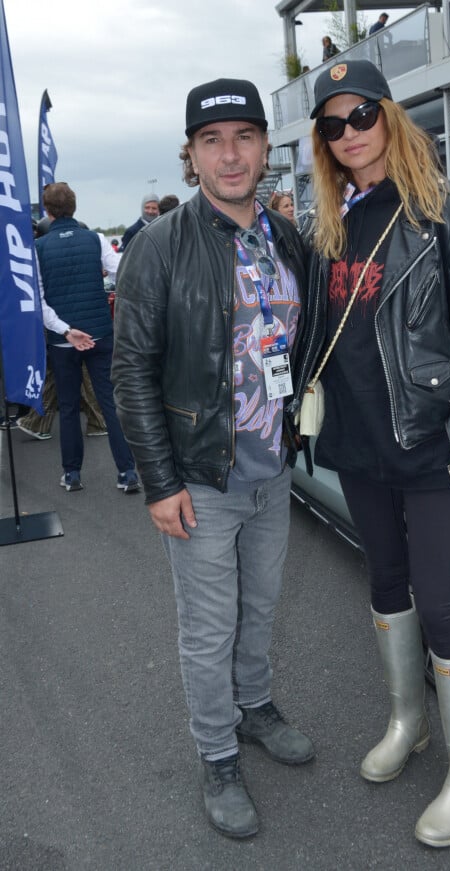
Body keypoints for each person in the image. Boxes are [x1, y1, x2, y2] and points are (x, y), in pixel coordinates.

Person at [297, 60, 450, 848]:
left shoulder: (443, 213)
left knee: (440, 598)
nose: (350, 133)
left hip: (427, 442)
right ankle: (406, 718)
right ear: (320, 138)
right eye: (332, 123)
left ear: (389, 114)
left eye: (361, 115)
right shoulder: (329, 221)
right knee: (385, 583)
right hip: (356, 439)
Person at [112, 77, 313, 840]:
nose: (230, 155)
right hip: (201, 475)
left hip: (272, 465)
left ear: (265, 147)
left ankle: (254, 706)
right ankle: (218, 752)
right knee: (207, 626)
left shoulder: (285, 235)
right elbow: (131, 366)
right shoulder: (160, 244)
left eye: (244, 137)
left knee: (260, 607)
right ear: (191, 158)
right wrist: (159, 482)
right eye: (211, 141)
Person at [36, 182, 140, 494]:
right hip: (99, 334)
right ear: (74, 207)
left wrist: (65, 329)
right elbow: (125, 272)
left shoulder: (38, 249)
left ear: (48, 211)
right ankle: (127, 473)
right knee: (110, 402)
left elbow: (39, 302)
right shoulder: (95, 239)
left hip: (64, 340)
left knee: (68, 407)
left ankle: (72, 474)